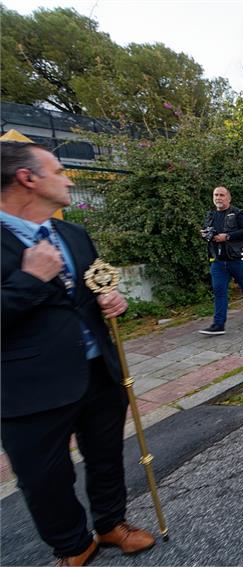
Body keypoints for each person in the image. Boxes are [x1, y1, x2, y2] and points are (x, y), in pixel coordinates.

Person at [0, 142, 156, 566]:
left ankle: (110, 523)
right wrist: (31, 279)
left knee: (106, 456)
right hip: (29, 387)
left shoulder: (72, 233)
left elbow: (92, 290)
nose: (69, 178)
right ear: (27, 179)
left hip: (97, 371)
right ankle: (72, 544)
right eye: (58, 170)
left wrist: (111, 301)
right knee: (44, 476)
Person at [199, 186, 243, 335]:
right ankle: (218, 324)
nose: (218, 197)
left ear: (228, 198)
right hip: (218, 260)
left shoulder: (238, 213)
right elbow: (207, 230)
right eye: (215, 195)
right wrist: (206, 234)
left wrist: (228, 236)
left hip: (237, 259)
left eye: (221, 195)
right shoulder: (210, 215)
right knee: (219, 291)